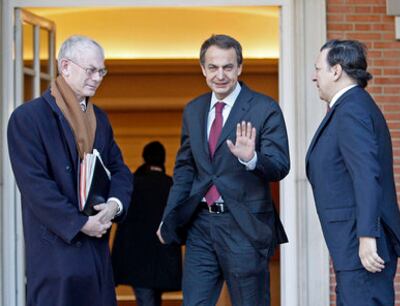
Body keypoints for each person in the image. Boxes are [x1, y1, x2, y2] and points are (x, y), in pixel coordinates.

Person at [156, 34, 290, 306]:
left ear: (239, 68)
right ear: (203, 69)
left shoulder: (265, 108)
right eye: (213, 67)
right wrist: (169, 215)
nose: (220, 75)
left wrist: (252, 158)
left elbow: (280, 165)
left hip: (244, 226)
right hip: (201, 226)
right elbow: (184, 169)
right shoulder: (193, 110)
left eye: (228, 67)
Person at [7, 35, 132, 306]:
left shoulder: (99, 118)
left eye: (102, 71)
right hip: (56, 251)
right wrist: (80, 224)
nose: (98, 77)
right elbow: (36, 187)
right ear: (65, 67)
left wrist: (114, 205)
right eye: (91, 70)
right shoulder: (28, 118)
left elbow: (119, 169)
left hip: (96, 247)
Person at [306, 39, 400, 305]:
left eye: (318, 69)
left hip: (360, 245)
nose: (314, 77)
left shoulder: (351, 109)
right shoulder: (352, 106)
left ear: (336, 71)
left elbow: (366, 174)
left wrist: (366, 236)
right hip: (352, 243)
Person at [112, 141, 182, 306]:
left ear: (144, 158)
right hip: (165, 256)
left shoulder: (132, 185)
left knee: (146, 301)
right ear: (163, 160)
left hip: (137, 259)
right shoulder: (172, 186)